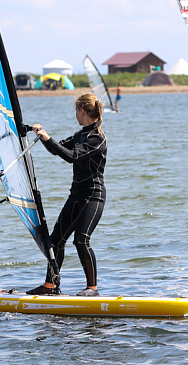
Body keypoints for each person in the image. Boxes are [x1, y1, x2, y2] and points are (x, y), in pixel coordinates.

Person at [26, 93, 108, 297]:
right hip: (76, 196)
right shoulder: (80, 135)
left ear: (82, 110)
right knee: (54, 241)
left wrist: (47, 138)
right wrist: (41, 135)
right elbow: (58, 149)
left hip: (93, 196)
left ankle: (92, 288)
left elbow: (72, 157)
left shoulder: (98, 139)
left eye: (76, 111)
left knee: (81, 240)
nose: (76, 115)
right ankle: (50, 285)